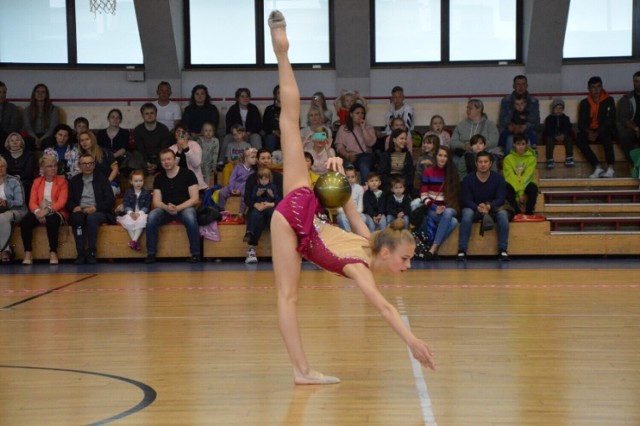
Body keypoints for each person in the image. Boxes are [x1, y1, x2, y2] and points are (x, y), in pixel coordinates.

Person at [267, 11, 434, 384]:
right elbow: (385, 309)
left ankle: (282, 50)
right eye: (405, 259)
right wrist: (412, 340)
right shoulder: (360, 263)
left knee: (289, 126)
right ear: (387, 253)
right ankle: (301, 371)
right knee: (287, 297)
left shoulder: (367, 239)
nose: (407, 266)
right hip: (295, 223)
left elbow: (346, 205)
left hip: (305, 206)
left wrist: (335, 174)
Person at [145, 149, 201, 264]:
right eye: (163, 160)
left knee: (190, 216)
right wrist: (166, 207)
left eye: (169, 159)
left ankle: (196, 254)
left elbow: (195, 199)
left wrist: (178, 208)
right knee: (152, 216)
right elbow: (156, 201)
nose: (166, 162)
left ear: (175, 160)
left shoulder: (188, 174)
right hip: (165, 210)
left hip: (184, 208)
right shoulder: (159, 178)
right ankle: (151, 253)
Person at [457, 151, 510, 261]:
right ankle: (462, 251)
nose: (483, 164)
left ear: (490, 163)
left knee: (503, 214)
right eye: (480, 162)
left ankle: (503, 251)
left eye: (486, 161)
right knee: (466, 214)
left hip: (492, 208)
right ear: (476, 164)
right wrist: (478, 207)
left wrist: (489, 206)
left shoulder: (498, 178)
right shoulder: (468, 179)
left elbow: (501, 198)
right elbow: (465, 199)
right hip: (474, 208)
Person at [67, 153, 116, 264]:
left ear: (94, 165)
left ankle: (92, 252)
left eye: (90, 163)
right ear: (79, 166)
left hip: (98, 211)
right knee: (76, 218)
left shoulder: (102, 179)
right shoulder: (74, 181)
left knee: (92, 218)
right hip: (80, 210)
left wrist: (95, 208)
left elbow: (110, 201)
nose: (87, 166)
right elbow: (68, 201)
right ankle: (80, 253)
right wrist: (74, 207)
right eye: (84, 164)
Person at [20, 155, 68, 265]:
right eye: (50, 166)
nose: (53, 168)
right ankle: (28, 252)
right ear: (42, 169)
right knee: (26, 221)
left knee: (52, 221)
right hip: (39, 210)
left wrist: (46, 211)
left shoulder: (62, 182)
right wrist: (38, 212)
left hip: (57, 211)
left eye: (55, 166)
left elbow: (62, 202)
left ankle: (53, 252)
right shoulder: (37, 182)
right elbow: (32, 202)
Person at [418, 146, 460, 259]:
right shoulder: (428, 172)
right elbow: (423, 195)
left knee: (448, 213)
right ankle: (434, 248)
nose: (442, 158)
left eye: (445, 156)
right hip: (432, 208)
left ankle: (432, 248)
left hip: (448, 208)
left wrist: (444, 206)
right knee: (453, 222)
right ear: (435, 157)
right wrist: (435, 207)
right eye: (440, 155)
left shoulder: (453, 174)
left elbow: (455, 196)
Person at [577, 76, 617, 178]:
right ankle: (597, 167)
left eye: (598, 87)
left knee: (606, 134)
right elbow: (581, 123)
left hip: (604, 129)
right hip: (591, 130)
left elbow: (610, 120)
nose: (596, 90)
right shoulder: (584, 103)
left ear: (602, 87)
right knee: (579, 138)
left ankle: (611, 168)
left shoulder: (609, 100)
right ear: (589, 89)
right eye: (593, 87)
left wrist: (597, 132)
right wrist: (589, 132)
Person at [244, 167, 280, 264]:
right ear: (258, 180)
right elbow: (251, 198)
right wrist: (257, 195)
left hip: (269, 207)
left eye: (266, 179)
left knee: (276, 216)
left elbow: (277, 198)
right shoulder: (256, 187)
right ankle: (249, 233)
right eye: (262, 179)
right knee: (255, 216)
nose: (264, 182)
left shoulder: (272, 186)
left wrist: (272, 196)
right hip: (258, 207)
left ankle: (280, 250)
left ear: (269, 179)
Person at [334, 103, 377, 185]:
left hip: (365, 156)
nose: (360, 115)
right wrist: (348, 155)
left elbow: (370, 143)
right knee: (346, 167)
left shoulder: (368, 127)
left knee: (364, 164)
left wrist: (363, 128)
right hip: (349, 156)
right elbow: (339, 146)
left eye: (362, 113)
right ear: (351, 114)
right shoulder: (343, 128)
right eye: (357, 113)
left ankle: (366, 188)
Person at [498, 75, 541, 153]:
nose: (521, 87)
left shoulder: (533, 101)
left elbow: (536, 121)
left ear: (527, 86)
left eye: (523, 84)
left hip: (527, 129)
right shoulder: (506, 101)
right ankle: (505, 157)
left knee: (532, 136)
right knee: (507, 138)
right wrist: (511, 126)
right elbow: (502, 120)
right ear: (513, 86)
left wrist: (525, 126)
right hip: (510, 129)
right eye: (518, 84)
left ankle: (532, 154)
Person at [115, 170, 151, 251]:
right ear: (131, 182)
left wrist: (139, 213)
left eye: (141, 181)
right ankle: (134, 242)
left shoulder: (146, 193)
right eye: (136, 181)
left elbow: (147, 206)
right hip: (131, 213)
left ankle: (134, 240)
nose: (138, 183)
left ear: (143, 181)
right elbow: (126, 204)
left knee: (142, 219)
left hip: (141, 213)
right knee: (128, 220)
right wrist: (131, 213)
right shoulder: (128, 192)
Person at [503, 134, 538, 215]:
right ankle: (516, 212)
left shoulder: (531, 158)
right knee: (506, 187)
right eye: (518, 144)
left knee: (533, 188)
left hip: (526, 182)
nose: (521, 147)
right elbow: (510, 176)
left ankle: (529, 212)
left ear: (526, 145)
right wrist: (520, 193)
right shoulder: (508, 159)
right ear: (514, 144)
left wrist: (521, 192)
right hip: (513, 182)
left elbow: (527, 176)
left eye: (523, 144)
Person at [0, 155, 27, 263]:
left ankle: (4, 250)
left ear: (6, 167)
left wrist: (6, 203)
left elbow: (20, 202)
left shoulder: (14, 181)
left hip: (16, 211)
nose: (0, 169)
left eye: (2, 166)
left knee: (2, 217)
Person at [134, 103, 172, 176]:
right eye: (146, 113)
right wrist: (147, 163)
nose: (150, 116)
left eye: (152, 113)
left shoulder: (164, 129)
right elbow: (140, 149)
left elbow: (164, 149)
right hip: (144, 161)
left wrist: (156, 164)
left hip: (161, 160)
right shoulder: (138, 130)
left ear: (156, 114)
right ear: (142, 115)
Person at [222, 88, 262, 155]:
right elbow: (229, 125)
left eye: (247, 96)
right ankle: (222, 161)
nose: (245, 98)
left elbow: (258, 125)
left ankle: (258, 160)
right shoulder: (232, 109)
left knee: (256, 137)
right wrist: (239, 134)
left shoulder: (254, 109)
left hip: (250, 134)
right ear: (238, 98)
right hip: (236, 134)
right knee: (227, 137)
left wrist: (248, 133)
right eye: (242, 96)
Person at [217, 147, 257, 215]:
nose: (255, 159)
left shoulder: (253, 171)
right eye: (252, 157)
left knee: (246, 194)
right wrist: (232, 188)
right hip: (234, 185)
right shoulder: (238, 167)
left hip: (244, 188)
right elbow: (232, 178)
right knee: (222, 192)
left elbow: (248, 183)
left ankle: (241, 213)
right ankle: (221, 210)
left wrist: (240, 190)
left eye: (256, 157)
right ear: (246, 158)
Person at [78, 131, 120, 195]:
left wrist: (107, 183)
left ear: (92, 140)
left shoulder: (105, 152)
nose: (84, 142)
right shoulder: (81, 157)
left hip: (110, 184)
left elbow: (115, 169)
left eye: (87, 139)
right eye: (82, 140)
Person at [169, 124, 208, 191]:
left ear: (188, 135)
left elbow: (196, 164)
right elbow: (171, 167)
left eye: (183, 132)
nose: (180, 134)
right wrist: (179, 151)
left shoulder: (195, 145)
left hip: (195, 184)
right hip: (178, 184)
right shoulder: (171, 149)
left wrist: (186, 148)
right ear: (175, 135)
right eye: (178, 131)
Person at [377, 128, 415, 196]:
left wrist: (401, 184)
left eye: (405, 139)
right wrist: (394, 184)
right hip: (389, 185)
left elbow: (410, 174)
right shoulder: (385, 155)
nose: (404, 141)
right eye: (401, 138)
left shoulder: (407, 155)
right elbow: (382, 174)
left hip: (403, 185)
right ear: (394, 139)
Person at [22, 83, 59, 150]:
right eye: (37, 91)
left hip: (47, 136)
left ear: (46, 95)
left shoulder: (53, 109)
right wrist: (36, 139)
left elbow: (53, 128)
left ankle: (47, 160)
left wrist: (41, 139)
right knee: (26, 142)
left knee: (49, 142)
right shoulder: (27, 109)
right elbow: (28, 127)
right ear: (34, 94)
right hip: (32, 135)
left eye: (43, 92)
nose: (40, 94)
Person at [2, 132, 35, 204]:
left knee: (21, 186)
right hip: (7, 180)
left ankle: (19, 208)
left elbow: (28, 171)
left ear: (21, 142)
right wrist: (11, 179)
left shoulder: (29, 154)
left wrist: (17, 178)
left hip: (24, 180)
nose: (15, 143)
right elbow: (3, 170)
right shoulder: (4, 156)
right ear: (8, 143)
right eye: (12, 141)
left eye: (17, 140)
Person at [616, 71, 640, 165]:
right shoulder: (626, 99)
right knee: (624, 135)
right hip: (632, 129)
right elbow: (623, 119)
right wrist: (636, 128)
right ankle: (634, 164)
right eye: (636, 81)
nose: (639, 84)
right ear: (633, 82)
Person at [543, 98, 574, 169]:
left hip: (563, 135)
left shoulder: (566, 118)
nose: (558, 110)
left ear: (563, 109)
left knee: (569, 139)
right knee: (549, 140)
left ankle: (569, 157)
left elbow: (568, 127)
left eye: (560, 108)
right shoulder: (549, 118)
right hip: (553, 136)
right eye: (556, 108)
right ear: (553, 109)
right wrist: (554, 135)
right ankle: (550, 159)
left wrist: (563, 134)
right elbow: (548, 129)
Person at [336, 166, 367, 232]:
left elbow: (360, 207)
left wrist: (354, 214)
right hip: (344, 213)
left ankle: (359, 235)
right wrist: (348, 213)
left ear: (356, 177)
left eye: (352, 177)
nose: (350, 179)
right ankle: (349, 235)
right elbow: (339, 208)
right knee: (340, 217)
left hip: (356, 213)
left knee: (364, 218)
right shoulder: (340, 189)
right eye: (348, 177)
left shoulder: (360, 189)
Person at [196, 122, 219, 187]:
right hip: (200, 162)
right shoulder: (199, 140)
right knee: (199, 177)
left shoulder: (215, 141)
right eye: (206, 130)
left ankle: (207, 190)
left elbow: (215, 154)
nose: (208, 132)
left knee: (207, 177)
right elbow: (197, 153)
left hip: (209, 163)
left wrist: (214, 166)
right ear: (202, 132)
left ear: (213, 132)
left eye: (210, 130)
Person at [262, 84, 281, 153]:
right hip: (273, 134)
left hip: (288, 135)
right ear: (275, 95)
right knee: (270, 138)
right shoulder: (269, 109)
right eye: (279, 93)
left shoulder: (291, 108)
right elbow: (265, 126)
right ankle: (268, 161)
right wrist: (273, 131)